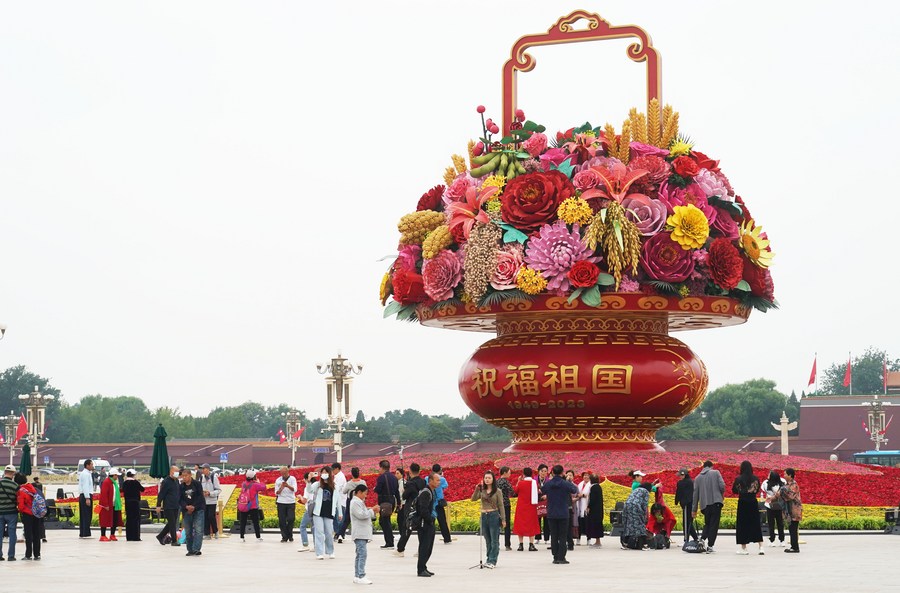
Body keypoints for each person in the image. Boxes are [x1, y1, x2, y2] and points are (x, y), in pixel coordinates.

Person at [541, 465, 578, 564]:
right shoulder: (565, 484)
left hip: (551, 512)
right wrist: (568, 480)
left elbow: (542, 490)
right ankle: (562, 557)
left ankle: (555, 556)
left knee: (554, 535)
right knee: (563, 535)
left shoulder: (549, 483)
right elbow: (575, 490)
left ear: (552, 472)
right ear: (562, 473)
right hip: (563, 513)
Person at [471, 470, 505, 568]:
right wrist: (477, 489)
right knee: (487, 540)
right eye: (485, 478)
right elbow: (473, 499)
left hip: (493, 515)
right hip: (483, 516)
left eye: (489, 478)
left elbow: (501, 505)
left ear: (493, 479)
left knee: (494, 540)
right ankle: (488, 559)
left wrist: (503, 519)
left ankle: (493, 560)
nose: (487, 480)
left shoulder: (498, 491)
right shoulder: (482, 491)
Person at [307, 465, 343, 559]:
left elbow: (338, 500)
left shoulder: (334, 485)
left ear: (329, 474)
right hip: (318, 512)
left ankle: (330, 551)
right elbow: (309, 490)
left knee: (329, 532)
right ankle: (319, 553)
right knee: (319, 532)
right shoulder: (318, 484)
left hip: (329, 512)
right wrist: (309, 481)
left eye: (326, 472)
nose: (324, 474)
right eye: (322, 473)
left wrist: (340, 513)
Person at [692, 459, 725, 554]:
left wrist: (694, 510)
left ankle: (702, 538)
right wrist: (721, 494)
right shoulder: (716, 472)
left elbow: (695, 495)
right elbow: (722, 485)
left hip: (704, 505)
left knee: (708, 523)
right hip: (716, 502)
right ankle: (710, 546)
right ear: (711, 466)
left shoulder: (698, 478)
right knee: (714, 524)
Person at [395, 463, 427, 557]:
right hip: (420, 507)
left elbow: (405, 496)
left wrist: (406, 488)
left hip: (411, 508)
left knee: (407, 528)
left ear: (410, 471)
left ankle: (400, 549)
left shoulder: (410, 483)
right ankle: (421, 550)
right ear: (419, 471)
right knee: (421, 529)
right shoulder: (423, 482)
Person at [733, 460, 764, 555]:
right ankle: (761, 547)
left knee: (742, 525)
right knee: (755, 523)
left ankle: (744, 548)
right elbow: (757, 489)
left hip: (743, 503)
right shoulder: (755, 478)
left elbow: (734, 490)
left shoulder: (738, 479)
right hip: (753, 502)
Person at [350, 483, 379, 585]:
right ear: (359, 492)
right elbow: (361, 515)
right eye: (364, 493)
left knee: (360, 554)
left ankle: (357, 575)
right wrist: (372, 510)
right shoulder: (355, 502)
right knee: (362, 554)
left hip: (362, 533)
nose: (365, 496)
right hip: (359, 533)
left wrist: (370, 510)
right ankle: (361, 575)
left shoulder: (359, 502)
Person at [416, 472, 440, 577]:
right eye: (437, 480)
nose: (439, 482)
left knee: (428, 547)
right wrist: (430, 520)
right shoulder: (426, 492)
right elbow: (423, 509)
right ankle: (421, 569)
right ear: (430, 481)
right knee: (424, 547)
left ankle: (424, 567)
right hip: (424, 524)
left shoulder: (431, 491)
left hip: (428, 522)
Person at [373, 459, 399, 549]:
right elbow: (397, 492)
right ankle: (390, 539)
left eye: (379, 467)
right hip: (392, 500)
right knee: (385, 521)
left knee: (384, 521)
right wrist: (399, 503)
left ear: (382, 467)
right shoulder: (394, 478)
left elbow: (378, 489)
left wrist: (375, 489)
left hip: (384, 501)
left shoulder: (381, 477)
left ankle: (389, 542)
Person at [513, 467, 539, 552]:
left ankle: (521, 544)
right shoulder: (534, 483)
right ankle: (531, 544)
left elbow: (516, 491)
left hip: (521, 506)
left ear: (523, 474)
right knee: (532, 524)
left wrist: (518, 481)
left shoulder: (521, 483)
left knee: (520, 524)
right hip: (531, 506)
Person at [179, 467, 204, 556]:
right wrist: (186, 507)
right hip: (186, 511)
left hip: (198, 510)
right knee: (188, 531)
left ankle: (196, 549)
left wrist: (194, 507)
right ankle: (190, 549)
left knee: (198, 530)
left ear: (190, 475)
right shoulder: (181, 486)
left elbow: (200, 497)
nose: (184, 478)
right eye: (183, 476)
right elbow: (180, 499)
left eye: (186, 476)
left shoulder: (197, 484)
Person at [16, 473, 40, 560]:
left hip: (27, 514)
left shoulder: (21, 491)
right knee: (36, 533)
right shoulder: (33, 488)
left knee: (28, 534)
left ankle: (28, 555)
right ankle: (37, 554)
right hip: (36, 513)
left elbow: (21, 506)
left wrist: (20, 510)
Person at [778, 468, 802, 553]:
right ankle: (793, 546)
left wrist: (782, 491)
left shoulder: (794, 485)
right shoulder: (787, 485)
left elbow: (790, 496)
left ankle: (795, 548)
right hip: (790, 510)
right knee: (791, 528)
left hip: (794, 510)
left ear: (790, 475)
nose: (784, 475)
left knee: (793, 529)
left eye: (785, 474)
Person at [238, 469, 266, 541]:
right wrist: (258, 482)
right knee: (255, 522)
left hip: (244, 505)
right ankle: (258, 536)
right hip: (253, 506)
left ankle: (242, 536)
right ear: (254, 477)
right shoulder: (255, 485)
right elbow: (264, 487)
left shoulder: (243, 484)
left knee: (243, 521)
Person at [156, 465, 181, 546]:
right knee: (172, 523)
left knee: (171, 523)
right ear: (171, 472)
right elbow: (161, 494)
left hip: (176, 505)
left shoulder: (176, 481)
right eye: (176, 472)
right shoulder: (166, 481)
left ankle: (160, 536)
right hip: (168, 505)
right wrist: (158, 505)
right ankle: (174, 541)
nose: (178, 474)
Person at [621, 482, 651, 550]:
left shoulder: (636, 490)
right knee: (640, 525)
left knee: (629, 524)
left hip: (627, 506)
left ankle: (625, 543)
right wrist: (644, 515)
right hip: (636, 507)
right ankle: (644, 545)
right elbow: (644, 504)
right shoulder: (645, 491)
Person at [761, 470, 786, 547]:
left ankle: (772, 540)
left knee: (771, 524)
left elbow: (763, 489)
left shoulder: (766, 483)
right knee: (780, 524)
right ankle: (782, 540)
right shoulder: (782, 482)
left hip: (770, 505)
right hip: (779, 506)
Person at [98, 467, 123, 542]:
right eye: (116, 475)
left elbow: (116, 493)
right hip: (107, 506)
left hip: (114, 505)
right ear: (113, 475)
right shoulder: (107, 482)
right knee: (104, 520)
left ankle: (112, 534)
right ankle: (103, 535)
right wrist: (105, 505)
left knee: (115, 520)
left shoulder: (114, 483)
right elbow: (104, 494)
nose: (117, 477)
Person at [674, 468, 698, 543]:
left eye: (680, 476)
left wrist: (676, 501)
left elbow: (679, 493)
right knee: (689, 522)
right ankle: (695, 538)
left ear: (684, 475)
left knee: (686, 523)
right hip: (692, 503)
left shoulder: (681, 483)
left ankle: (686, 539)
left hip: (686, 505)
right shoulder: (692, 481)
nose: (679, 477)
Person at [341, 467, 365, 542]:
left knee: (346, 519)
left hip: (350, 502)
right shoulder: (363, 482)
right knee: (361, 517)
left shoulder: (349, 483)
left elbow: (344, 491)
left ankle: (341, 534)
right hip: (360, 501)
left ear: (352, 474)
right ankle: (362, 534)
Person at [275, 466, 297, 543]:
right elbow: (276, 493)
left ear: (288, 472)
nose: (283, 475)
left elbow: (295, 489)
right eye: (282, 473)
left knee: (291, 519)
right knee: (282, 520)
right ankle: (284, 537)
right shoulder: (278, 480)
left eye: (284, 473)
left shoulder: (292, 479)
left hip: (291, 502)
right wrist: (281, 488)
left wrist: (287, 486)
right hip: (281, 502)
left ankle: (289, 535)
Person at [0, 465, 18, 561]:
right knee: (12, 534)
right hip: (11, 513)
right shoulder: (15, 486)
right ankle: (11, 556)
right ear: (13, 474)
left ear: (5, 472)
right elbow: (18, 500)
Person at [122, 469, 144, 541]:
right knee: (136, 520)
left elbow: (122, 490)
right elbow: (142, 489)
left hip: (127, 503)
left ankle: (129, 537)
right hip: (135, 503)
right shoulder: (136, 482)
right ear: (133, 475)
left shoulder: (125, 483)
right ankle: (135, 536)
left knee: (129, 519)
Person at [432, 464, 453, 544]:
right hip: (439, 503)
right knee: (442, 522)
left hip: (431, 503)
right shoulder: (442, 479)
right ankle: (447, 539)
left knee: (431, 522)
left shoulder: (427, 478)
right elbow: (445, 486)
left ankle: (430, 538)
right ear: (440, 470)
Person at [199, 464, 221, 539]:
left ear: (208, 469)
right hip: (204, 501)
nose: (202, 470)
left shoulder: (213, 477)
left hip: (212, 501)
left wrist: (210, 493)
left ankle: (216, 531)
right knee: (205, 517)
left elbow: (218, 490)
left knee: (211, 516)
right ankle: (207, 533)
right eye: (202, 469)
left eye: (204, 468)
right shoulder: (201, 478)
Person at [297, 471, 317, 552]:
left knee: (302, 526)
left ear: (306, 479)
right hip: (316, 509)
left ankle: (305, 544)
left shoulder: (307, 488)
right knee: (314, 528)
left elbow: (305, 500)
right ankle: (316, 546)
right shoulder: (316, 486)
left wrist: (300, 497)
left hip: (309, 509)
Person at [496, 466, 515, 551]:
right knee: (506, 524)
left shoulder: (496, 482)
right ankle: (507, 545)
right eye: (509, 472)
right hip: (506, 505)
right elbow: (512, 492)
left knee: (496, 524)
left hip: (497, 505)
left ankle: (496, 543)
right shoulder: (506, 482)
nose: (510, 474)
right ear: (504, 473)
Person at [583, 474, 604, 546]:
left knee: (595, 525)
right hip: (598, 510)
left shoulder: (593, 487)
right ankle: (597, 541)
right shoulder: (598, 487)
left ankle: (598, 542)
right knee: (597, 524)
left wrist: (588, 506)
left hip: (595, 511)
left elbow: (592, 499)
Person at [78, 459, 94, 539]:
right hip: (85, 496)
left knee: (85, 515)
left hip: (85, 495)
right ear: (87, 465)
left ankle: (84, 532)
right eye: (91, 464)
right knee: (86, 515)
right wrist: (87, 498)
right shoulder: (85, 474)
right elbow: (85, 486)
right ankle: (85, 532)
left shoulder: (87, 473)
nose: (92, 466)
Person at [331, 462, 347, 543]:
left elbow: (337, 488)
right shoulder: (337, 476)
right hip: (337, 501)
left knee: (339, 519)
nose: (332, 471)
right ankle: (338, 533)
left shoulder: (340, 477)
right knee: (336, 518)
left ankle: (339, 533)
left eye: (333, 469)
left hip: (340, 501)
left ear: (337, 469)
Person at [575, 471, 591, 545]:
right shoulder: (580, 484)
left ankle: (589, 539)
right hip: (579, 505)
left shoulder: (590, 485)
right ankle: (578, 539)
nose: (586, 477)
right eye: (585, 475)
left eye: (587, 475)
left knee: (587, 524)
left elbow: (590, 495)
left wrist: (583, 495)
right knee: (579, 524)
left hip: (586, 506)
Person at [536, 463, 549, 544]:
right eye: (542, 471)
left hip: (547, 502)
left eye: (545, 471)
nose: (544, 473)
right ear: (538, 471)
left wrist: (546, 495)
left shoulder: (549, 481)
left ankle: (546, 538)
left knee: (547, 520)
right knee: (537, 520)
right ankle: (537, 537)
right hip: (537, 502)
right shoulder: (534, 480)